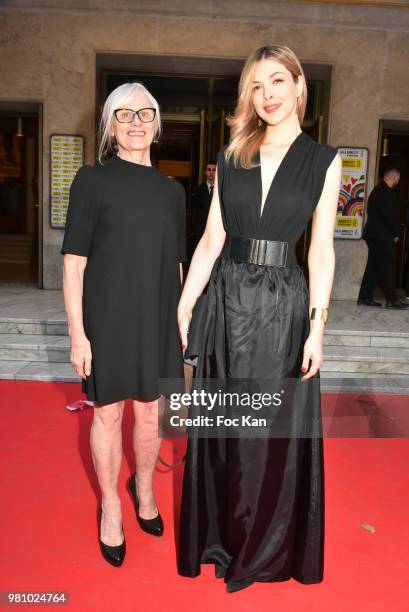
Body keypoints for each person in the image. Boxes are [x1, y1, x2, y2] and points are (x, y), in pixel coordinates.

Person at [176, 44, 341, 593]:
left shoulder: (323, 159)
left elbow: (320, 250)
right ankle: (224, 538)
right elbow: (211, 239)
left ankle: (262, 548)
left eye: (277, 81)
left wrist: (317, 325)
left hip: (283, 307)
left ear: (298, 86)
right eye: (256, 85)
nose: (267, 95)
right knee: (227, 428)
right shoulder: (232, 154)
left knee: (268, 434)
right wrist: (186, 302)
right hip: (227, 299)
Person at [61, 82, 186, 567]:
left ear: (157, 123)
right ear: (111, 126)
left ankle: (145, 487)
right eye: (124, 114)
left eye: (145, 113)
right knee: (109, 413)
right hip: (107, 316)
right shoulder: (92, 180)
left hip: (155, 315)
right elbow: (74, 262)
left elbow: (174, 263)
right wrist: (78, 333)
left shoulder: (172, 192)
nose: (136, 122)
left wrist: (179, 319)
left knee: (152, 413)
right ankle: (111, 505)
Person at [358, 168, 409, 309]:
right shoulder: (385, 192)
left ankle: (364, 297)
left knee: (373, 268)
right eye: (398, 178)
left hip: (375, 235)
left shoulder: (379, 190)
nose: (398, 181)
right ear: (395, 177)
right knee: (388, 266)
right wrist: (396, 233)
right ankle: (392, 300)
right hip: (382, 236)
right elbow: (389, 216)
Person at [191, 161, 216, 250]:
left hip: (217, 231)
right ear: (205, 172)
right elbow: (195, 212)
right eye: (209, 170)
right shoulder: (198, 190)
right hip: (201, 231)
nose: (211, 172)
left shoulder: (221, 190)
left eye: (214, 170)